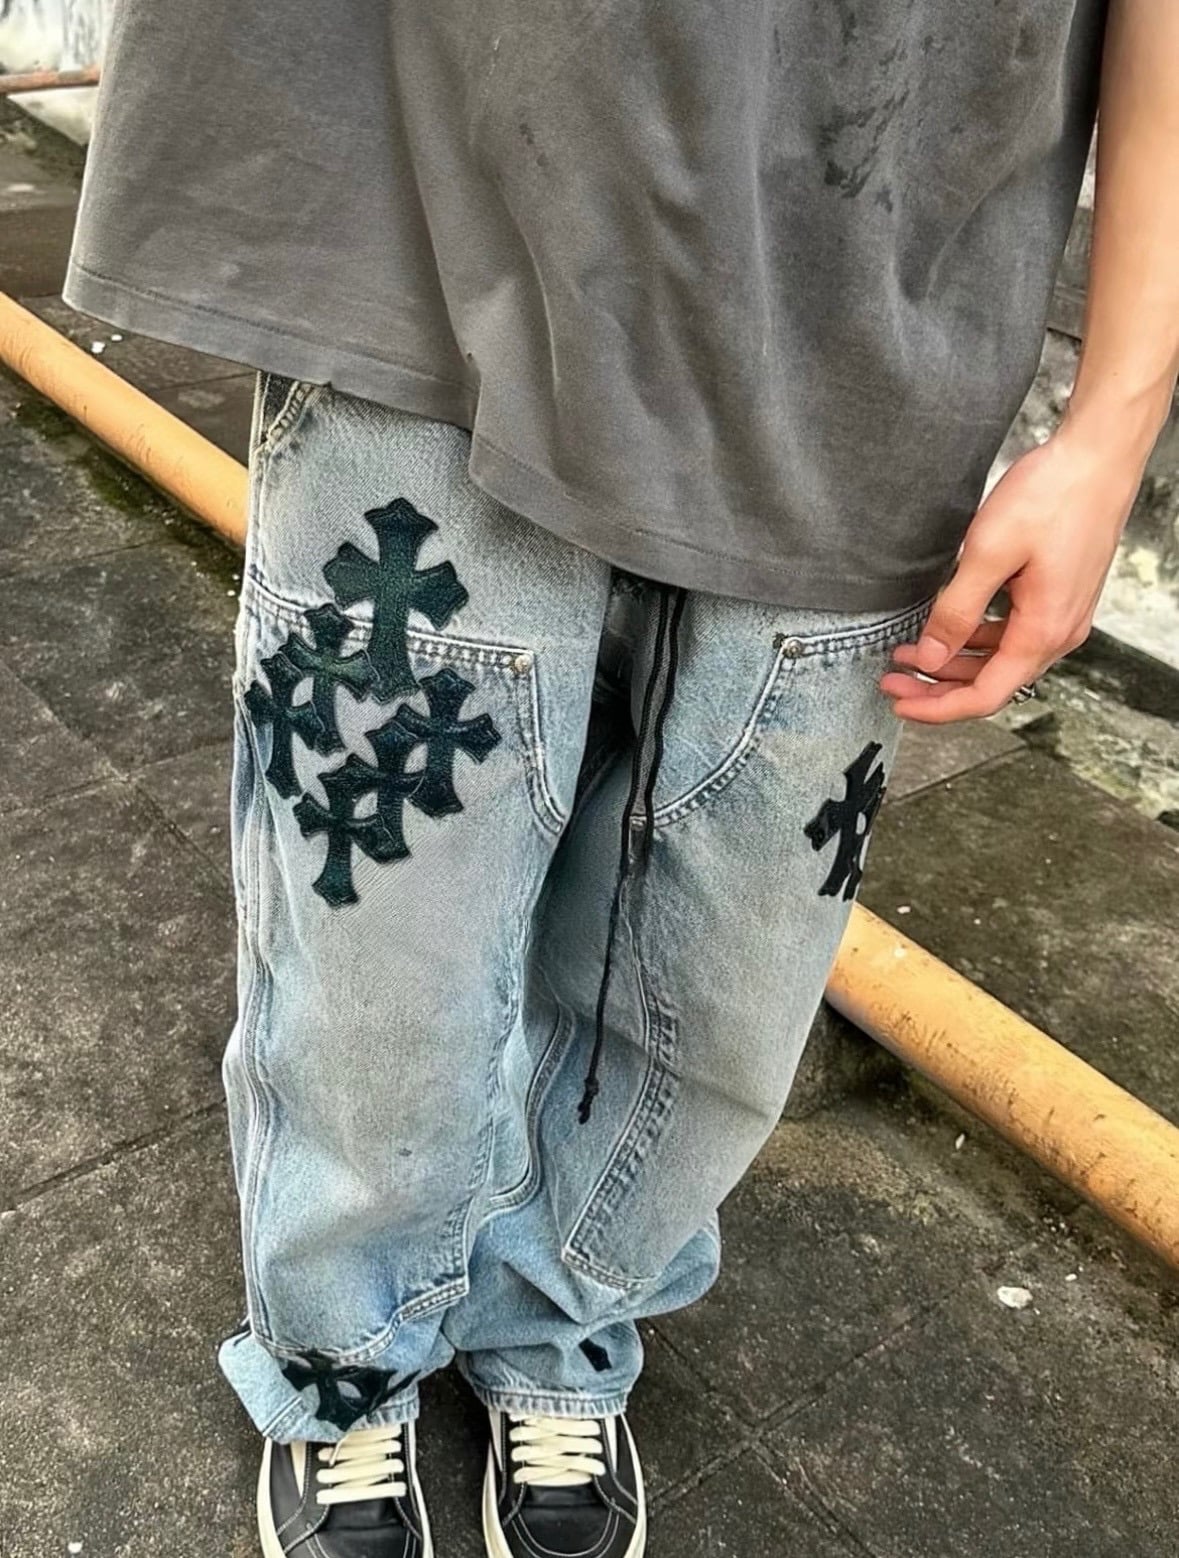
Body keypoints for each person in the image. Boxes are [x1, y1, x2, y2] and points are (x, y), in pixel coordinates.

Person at [62, 2, 1177, 1554]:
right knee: (379, 948)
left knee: (728, 957)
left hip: (873, 258)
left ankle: (563, 1312)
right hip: (424, 180)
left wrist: (1116, 414)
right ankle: (343, 1352)